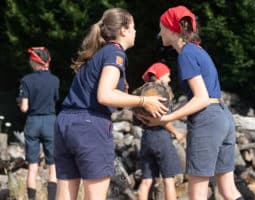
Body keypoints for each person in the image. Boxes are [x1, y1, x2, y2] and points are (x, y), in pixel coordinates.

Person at [53, 8, 168, 200]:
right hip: (89, 125)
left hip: (65, 123)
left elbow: (105, 92)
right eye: (133, 27)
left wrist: (126, 97)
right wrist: (143, 100)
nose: (135, 32)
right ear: (123, 30)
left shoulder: (97, 56)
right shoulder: (116, 53)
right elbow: (105, 95)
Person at [138, 5, 243, 200]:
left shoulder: (186, 53)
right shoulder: (198, 50)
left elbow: (201, 98)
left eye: (161, 27)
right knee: (229, 190)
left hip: (207, 119)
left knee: (197, 194)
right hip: (223, 117)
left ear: (172, 29)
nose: (159, 32)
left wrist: (166, 118)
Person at [17, 47, 59, 200]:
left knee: (33, 166)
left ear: (35, 62)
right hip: (49, 122)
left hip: (33, 123)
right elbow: (54, 99)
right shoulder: (55, 80)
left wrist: (20, 101)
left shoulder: (26, 80)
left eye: (30, 59)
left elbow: (24, 107)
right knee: (53, 166)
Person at [137, 62, 183, 200]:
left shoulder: (144, 92)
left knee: (146, 181)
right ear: (159, 76)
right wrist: (176, 132)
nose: (169, 79)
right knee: (169, 180)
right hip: (161, 138)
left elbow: (137, 114)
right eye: (167, 76)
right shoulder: (160, 93)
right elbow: (162, 119)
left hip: (146, 138)